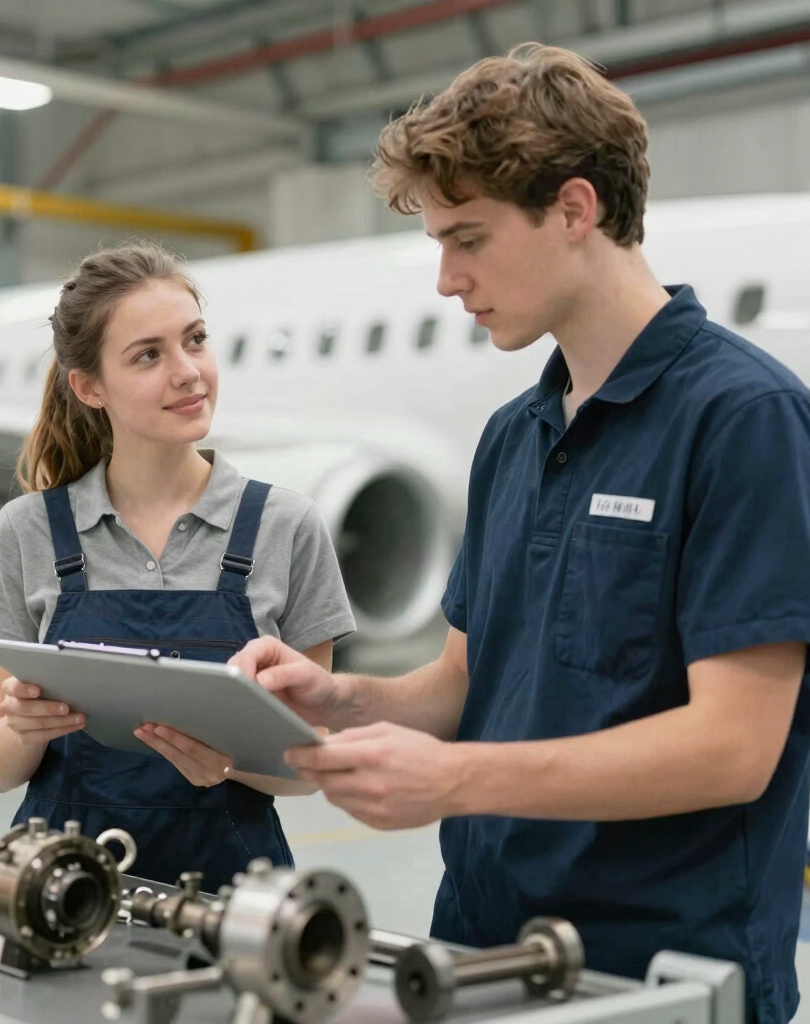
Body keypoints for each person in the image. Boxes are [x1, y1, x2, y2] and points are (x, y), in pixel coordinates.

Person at [231, 43, 810, 1024]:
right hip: (479, 949)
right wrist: (339, 695)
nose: (448, 280)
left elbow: (732, 748)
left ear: (574, 210)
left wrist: (453, 779)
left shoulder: (743, 418)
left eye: (469, 238)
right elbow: (464, 685)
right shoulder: (513, 436)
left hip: (656, 971)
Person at [0, 240, 355, 892]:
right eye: (149, 355)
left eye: (195, 341)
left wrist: (227, 762)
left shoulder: (287, 527)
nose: (188, 371)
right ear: (88, 387)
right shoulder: (28, 531)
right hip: (61, 891)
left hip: (234, 904)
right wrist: (25, 731)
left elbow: (307, 763)